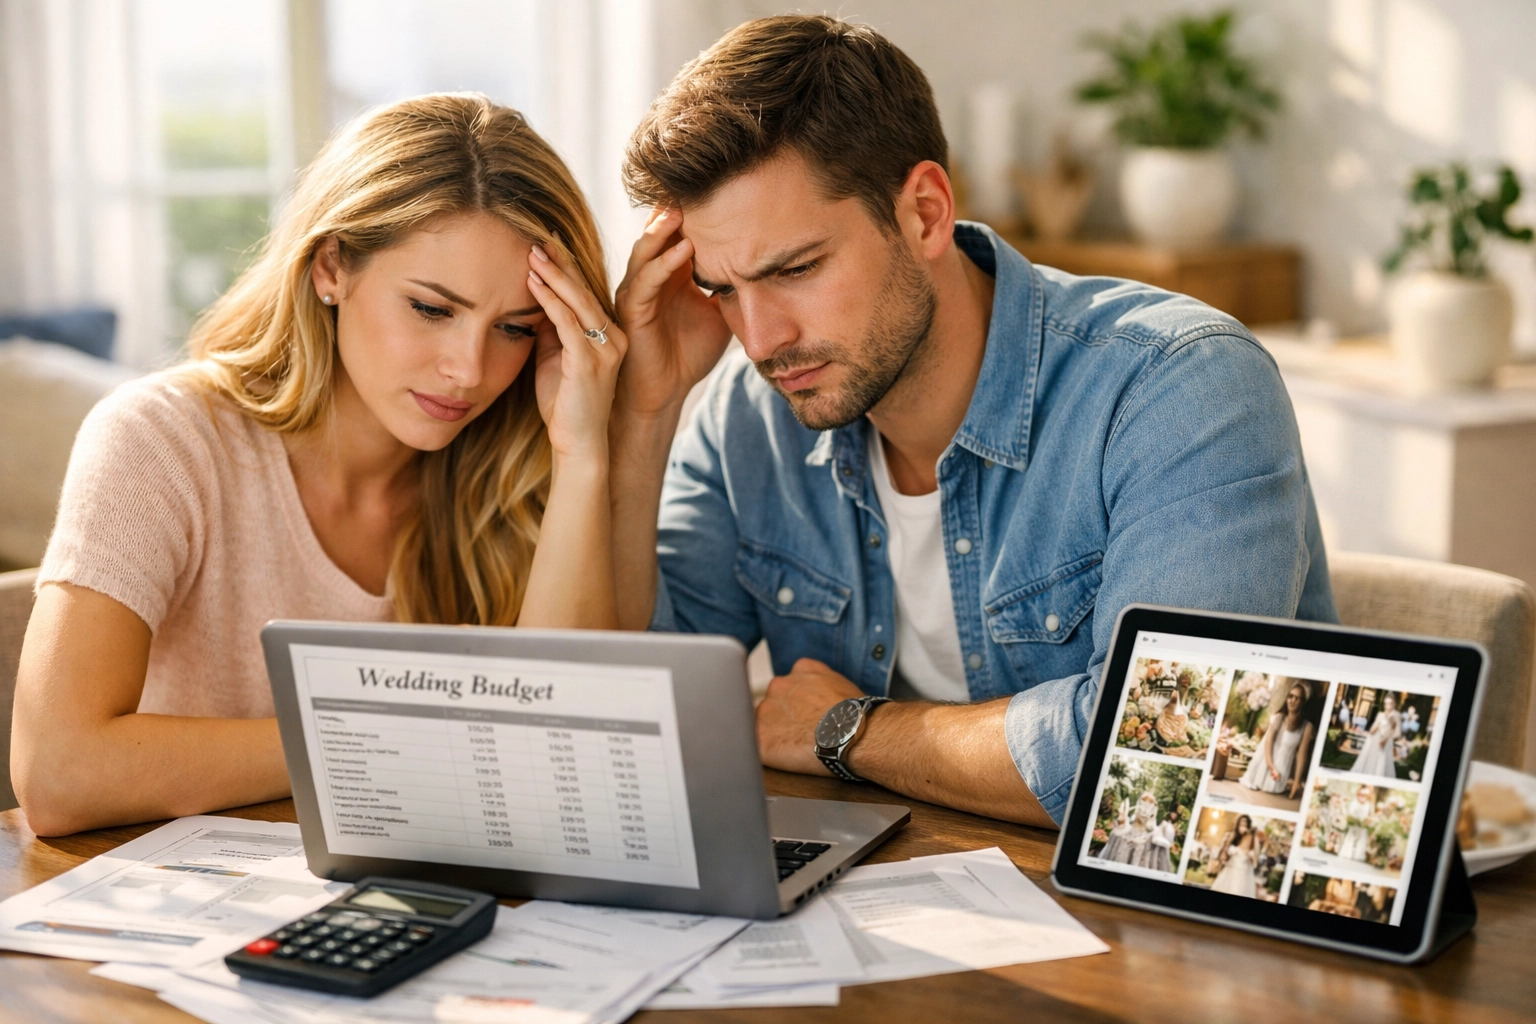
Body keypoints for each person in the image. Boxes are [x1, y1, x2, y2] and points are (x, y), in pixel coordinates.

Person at [607, 15, 1335, 827]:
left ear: (924, 212)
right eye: (723, 290)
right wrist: (644, 413)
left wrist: (851, 730)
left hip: (1160, 935)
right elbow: (630, 719)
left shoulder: (1179, 387)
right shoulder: (748, 416)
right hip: (896, 907)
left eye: (797, 269)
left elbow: (1164, 764)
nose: (762, 338)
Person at [12, 94, 630, 836]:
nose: (469, 370)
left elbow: (556, 757)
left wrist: (585, 449)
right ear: (331, 266)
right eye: (433, 309)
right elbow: (58, 771)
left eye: (514, 329)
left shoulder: (514, 463)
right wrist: (404, 740)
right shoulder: (160, 441)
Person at [1240, 681, 1316, 799]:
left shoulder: (1306, 727)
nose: (1292, 701)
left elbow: (1301, 754)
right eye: (1290, 696)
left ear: (1302, 702)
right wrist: (1272, 768)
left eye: (1297, 698)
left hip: (1282, 772)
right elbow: (1268, 743)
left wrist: (1297, 781)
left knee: (1274, 795)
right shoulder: (1278, 718)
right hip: (1267, 766)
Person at [1351, 692, 1401, 778]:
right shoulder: (1380, 715)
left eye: (1390, 704)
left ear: (1394, 704)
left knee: (1381, 763)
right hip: (1376, 741)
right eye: (1386, 704)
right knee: (1372, 762)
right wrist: (1376, 727)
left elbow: (1398, 734)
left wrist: (1387, 737)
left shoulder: (1396, 715)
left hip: (1386, 743)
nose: (1387, 706)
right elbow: (1372, 731)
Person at [1210, 815, 1259, 897]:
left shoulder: (1252, 837)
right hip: (1232, 866)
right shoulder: (1233, 835)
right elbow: (1226, 849)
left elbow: (1254, 854)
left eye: (1245, 821)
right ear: (1238, 822)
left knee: (1239, 889)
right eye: (1242, 821)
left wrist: (1248, 853)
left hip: (1244, 868)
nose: (1243, 823)